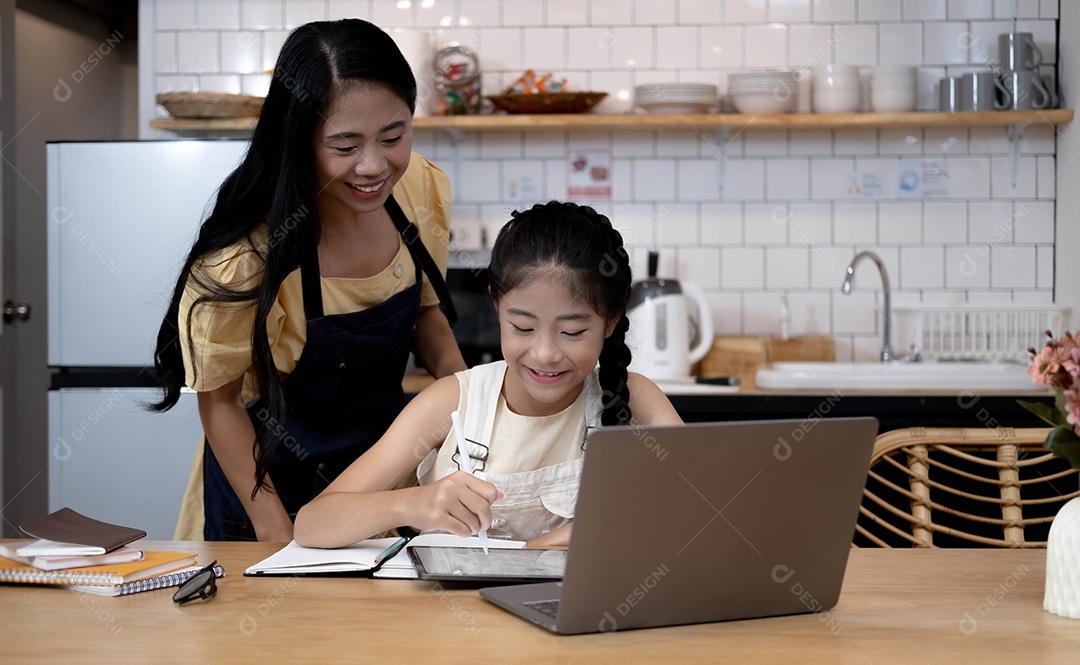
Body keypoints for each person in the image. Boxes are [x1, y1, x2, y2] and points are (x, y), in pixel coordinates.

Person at [151, 19, 466, 542]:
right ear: (297, 140)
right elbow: (220, 403)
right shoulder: (244, 257)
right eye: (344, 147)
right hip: (266, 488)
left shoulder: (419, 188)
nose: (374, 166)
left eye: (394, 137)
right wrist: (278, 536)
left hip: (379, 482)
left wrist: (477, 411)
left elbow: (426, 315)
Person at [293, 201, 684, 549]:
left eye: (573, 332)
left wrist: (601, 530)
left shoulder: (634, 398)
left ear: (610, 322)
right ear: (497, 306)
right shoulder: (452, 401)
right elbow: (312, 525)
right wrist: (412, 503)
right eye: (522, 328)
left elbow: (703, 509)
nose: (545, 354)